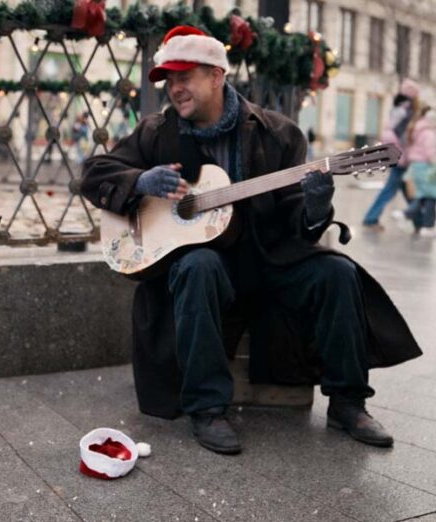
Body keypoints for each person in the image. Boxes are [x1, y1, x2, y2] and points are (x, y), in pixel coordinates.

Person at [80, 26, 422, 455]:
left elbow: (298, 220)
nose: (175, 89)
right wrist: (138, 181)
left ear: (217, 76)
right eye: (169, 80)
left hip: (268, 259)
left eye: (185, 76)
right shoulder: (156, 133)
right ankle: (206, 408)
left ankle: (348, 403)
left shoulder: (278, 133)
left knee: (336, 272)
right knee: (197, 266)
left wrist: (316, 208)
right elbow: (93, 173)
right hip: (207, 270)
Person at [362, 79, 420, 230]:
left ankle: (418, 220)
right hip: (401, 157)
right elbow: (404, 138)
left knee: (406, 189)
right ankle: (370, 218)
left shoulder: (398, 109)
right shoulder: (405, 112)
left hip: (396, 156)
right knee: (392, 189)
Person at [404, 107, 436, 237]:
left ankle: (410, 214)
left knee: (424, 195)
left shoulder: (418, 130)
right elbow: (431, 151)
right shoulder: (429, 134)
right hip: (426, 167)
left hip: (417, 166)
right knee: (430, 196)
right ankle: (424, 224)